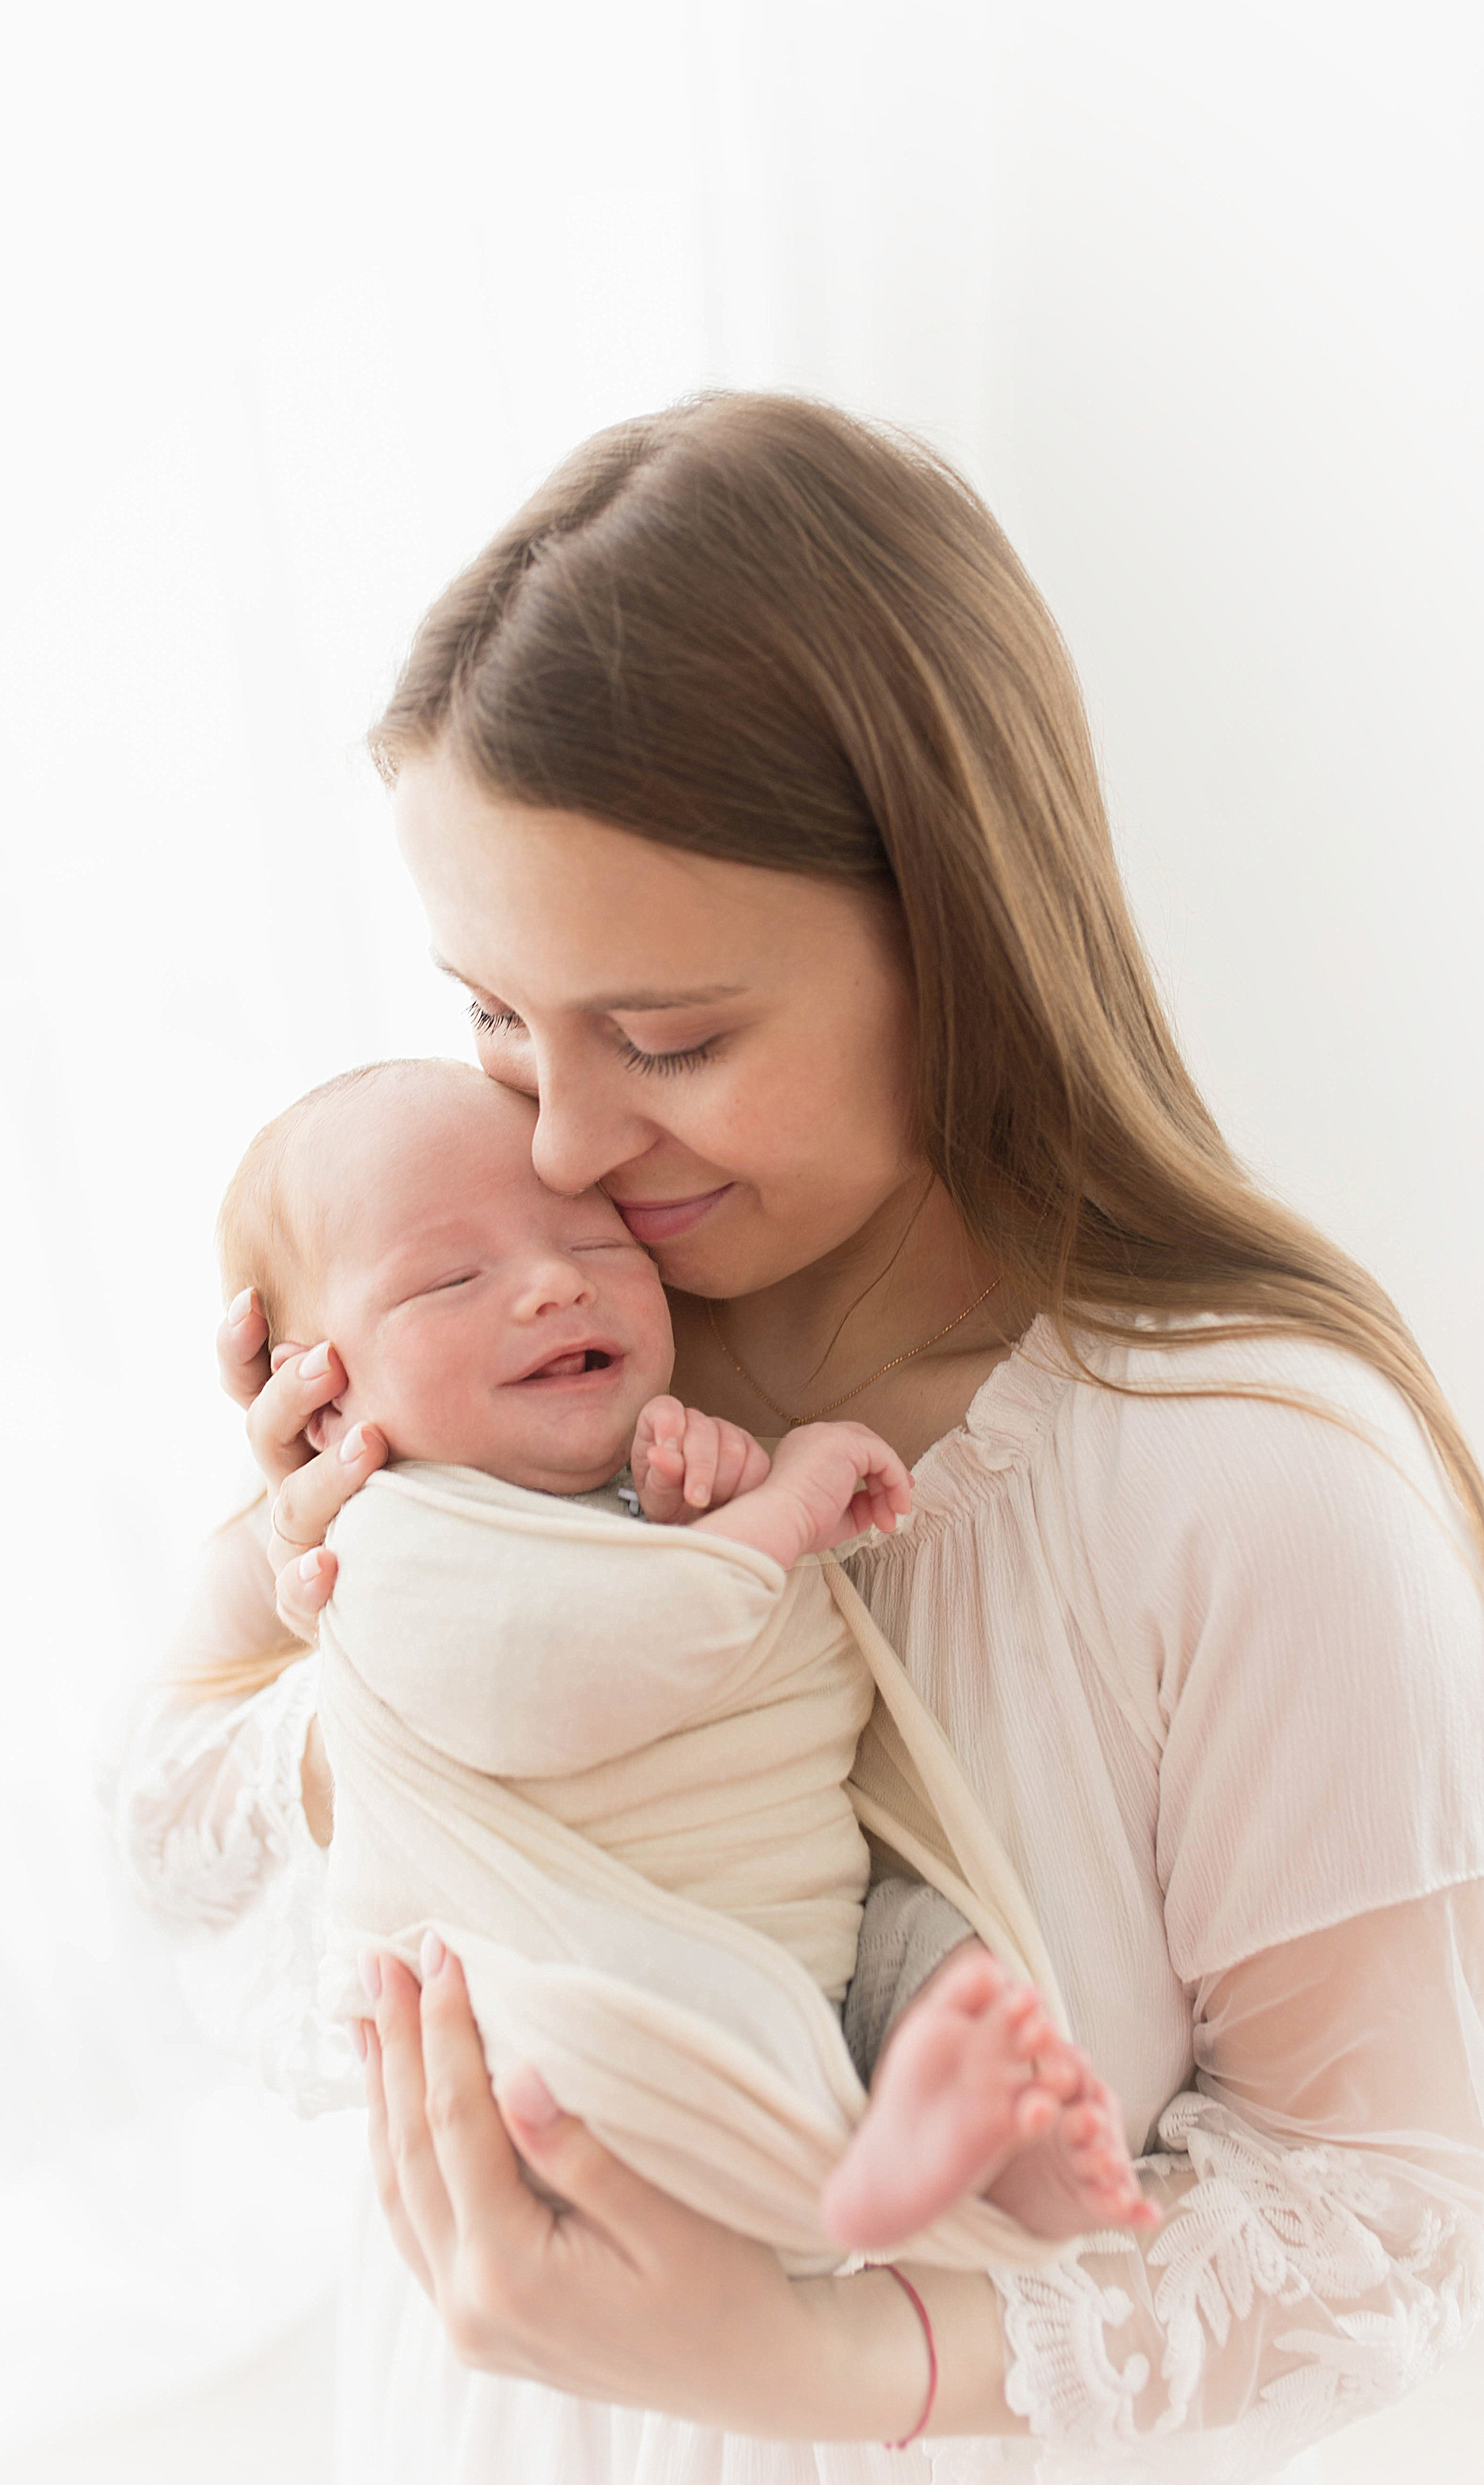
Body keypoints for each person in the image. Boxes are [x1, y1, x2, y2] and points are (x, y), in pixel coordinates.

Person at [116, 392, 1484, 2480]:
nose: (558, 1140)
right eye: (492, 1014)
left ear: (957, 934)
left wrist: (833, 2360)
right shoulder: (536, 1370)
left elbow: (1388, 2217)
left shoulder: (1249, 1483)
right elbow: (199, 1901)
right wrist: (305, 1592)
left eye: (661, 1037)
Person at [212, 1054, 1157, 2261]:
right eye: (453, 1277)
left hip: (791, 1934)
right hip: (596, 2007)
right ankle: (838, 2188)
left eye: (601, 1245)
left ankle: (1003, 2152)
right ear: (321, 1400)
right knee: (714, 2042)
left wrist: (690, 1506)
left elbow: (683, 1620)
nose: (556, 1283)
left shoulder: (622, 1480)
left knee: (942, 1953)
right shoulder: (389, 1535)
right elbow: (572, 1663)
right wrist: (781, 1513)